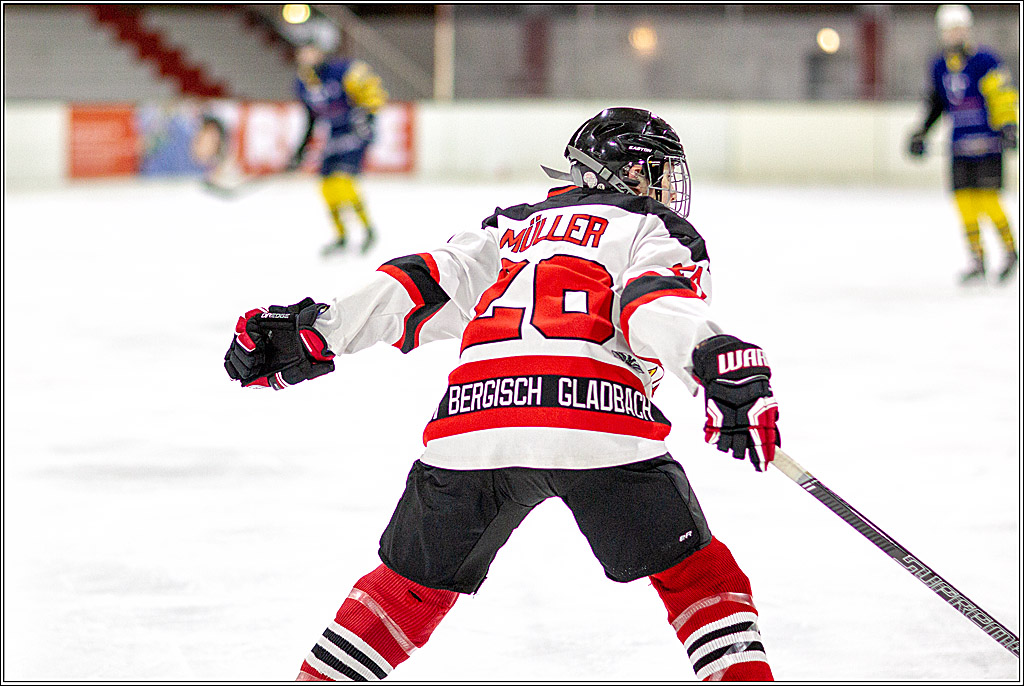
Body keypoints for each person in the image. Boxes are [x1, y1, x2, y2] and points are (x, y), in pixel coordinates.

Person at [224, 107, 781, 681]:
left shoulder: (508, 227)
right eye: (658, 171)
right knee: (698, 579)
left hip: (474, 417)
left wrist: (317, 332)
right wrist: (715, 363)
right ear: (631, 174)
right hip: (596, 419)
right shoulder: (650, 226)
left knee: (404, 591)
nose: (666, 187)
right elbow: (652, 305)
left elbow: (418, 283)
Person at [907, 3, 1019, 284]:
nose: (954, 34)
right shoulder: (938, 65)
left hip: (987, 144)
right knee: (963, 203)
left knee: (988, 200)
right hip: (959, 146)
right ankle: (977, 259)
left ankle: (1010, 251)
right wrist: (922, 132)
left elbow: (1002, 95)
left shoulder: (985, 60)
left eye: (958, 28)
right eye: (949, 30)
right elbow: (937, 104)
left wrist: (1009, 126)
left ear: (967, 30)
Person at [288, 42, 388, 255]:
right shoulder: (303, 82)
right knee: (325, 185)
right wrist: (301, 149)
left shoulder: (344, 71)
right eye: (303, 53)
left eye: (311, 52)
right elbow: (311, 118)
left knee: (343, 181)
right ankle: (341, 236)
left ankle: (367, 229)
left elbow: (374, 92)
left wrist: (368, 116)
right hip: (335, 134)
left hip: (356, 130)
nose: (307, 57)